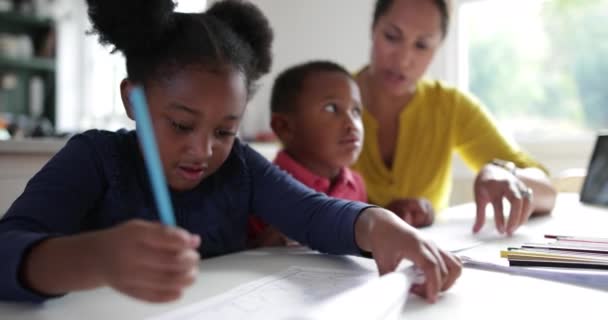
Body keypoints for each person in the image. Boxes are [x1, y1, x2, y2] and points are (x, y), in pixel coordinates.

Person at [0, 0, 461, 304]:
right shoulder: (94, 160)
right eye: (181, 124)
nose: (202, 149)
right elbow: (6, 249)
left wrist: (378, 223)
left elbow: (315, 215)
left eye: (226, 129)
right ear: (131, 99)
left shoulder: (239, 167)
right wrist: (96, 258)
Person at [352, 0, 557, 235]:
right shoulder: (327, 102)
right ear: (373, 29)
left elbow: (548, 192)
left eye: (422, 45)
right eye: (391, 36)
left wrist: (503, 173)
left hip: (425, 263)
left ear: (438, 48)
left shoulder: (450, 106)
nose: (403, 59)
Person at [248, 61, 367, 247]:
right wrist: (263, 246)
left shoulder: (356, 185)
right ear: (284, 127)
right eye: (331, 108)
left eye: (356, 110)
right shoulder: (263, 189)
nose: (352, 123)